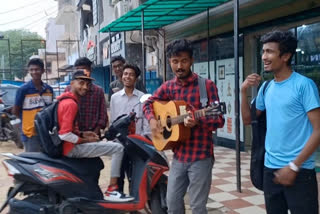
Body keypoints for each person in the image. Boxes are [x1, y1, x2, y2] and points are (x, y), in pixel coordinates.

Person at [241, 30, 320, 214]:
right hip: (271, 169)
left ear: (285, 56)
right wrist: (243, 91)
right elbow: (247, 119)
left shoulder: (304, 85)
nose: (264, 57)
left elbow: (318, 130)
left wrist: (293, 166)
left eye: (269, 51)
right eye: (263, 51)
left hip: (299, 171)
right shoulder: (266, 87)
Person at [143, 39, 225, 214]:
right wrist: (152, 120)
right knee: (172, 203)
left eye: (184, 61)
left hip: (201, 156)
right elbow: (148, 103)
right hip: (179, 156)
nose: (179, 66)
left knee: (197, 207)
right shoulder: (169, 87)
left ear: (192, 61)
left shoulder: (206, 86)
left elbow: (219, 120)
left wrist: (199, 121)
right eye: (175, 61)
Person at [58, 69, 134, 202]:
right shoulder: (71, 104)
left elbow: (69, 130)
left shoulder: (66, 100)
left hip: (70, 145)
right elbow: (64, 134)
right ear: (72, 84)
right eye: (81, 83)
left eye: (87, 84)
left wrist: (83, 134)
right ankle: (112, 189)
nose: (85, 87)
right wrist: (83, 140)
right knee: (118, 148)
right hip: (71, 148)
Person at [110, 63, 150, 193]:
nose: (128, 77)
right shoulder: (114, 98)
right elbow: (113, 121)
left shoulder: (143, 98)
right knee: (118, 176)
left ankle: (135, 207)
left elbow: (146, 122)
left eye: (131, 74)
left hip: (137, 144)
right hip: (120, 145)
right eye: (125, 74)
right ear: (122, 77)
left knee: (135, 177)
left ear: (136, 78)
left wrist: (143, 140)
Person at [13, 58, 54, 152]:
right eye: (31, 70)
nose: (34, 72)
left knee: (45, 161)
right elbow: (15, 111)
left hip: (45, 131)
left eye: (37, 69)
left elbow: (50, 110)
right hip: (30, 132)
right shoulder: (23, 90)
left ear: (43, 70)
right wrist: (27, 120)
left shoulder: (49, 90)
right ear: (29, 71)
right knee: (32, 161)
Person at [65, 57, 107, 137]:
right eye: (78, 70)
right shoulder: (68, 90)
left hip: (93, 135)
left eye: (84, 69)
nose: (81, 73)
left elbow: (103, 116)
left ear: (90, 70)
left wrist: (94, 133)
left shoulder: (98, 91)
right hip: (73, 136)